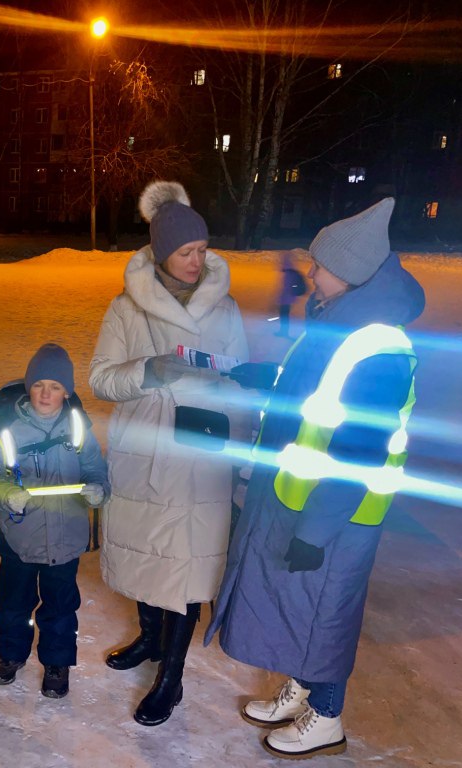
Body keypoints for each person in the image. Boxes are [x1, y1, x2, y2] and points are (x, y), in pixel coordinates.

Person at [205, 198, 425, 760]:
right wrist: (271, 379)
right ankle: (303, 688)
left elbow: (359, 450)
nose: (310, 272)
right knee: (301, 604)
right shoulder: (341, 321)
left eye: (319, 265)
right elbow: (318, 390)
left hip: (339, 512)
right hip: (303, 498)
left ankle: (327, 716)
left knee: (325, 610)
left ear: (348, 273)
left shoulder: (379, 348)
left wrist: (318, 530)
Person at [88, 180, 249, 726]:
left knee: (185, 567)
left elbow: (243, 385)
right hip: (146, 446)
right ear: (161, 253)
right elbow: (101, 380)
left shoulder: (225, 308)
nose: (196, 262)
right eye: (186, 252)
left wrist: (241, 441)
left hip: (202, 452)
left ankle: (171, 678)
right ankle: (150, 639)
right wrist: (148, 371)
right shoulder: (126, 309)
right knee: (146, 553)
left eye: (203, 250)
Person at [0, 344, 109, 699]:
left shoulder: (78, 427)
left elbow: (95, 468)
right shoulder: (8, 432)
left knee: (61, 604)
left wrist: (99, 489)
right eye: (38, 385)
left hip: (66, 539)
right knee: (13, 601)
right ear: (28, 387)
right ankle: (10, 652)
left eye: (54, 386)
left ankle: (57, 660)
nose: (46, 394)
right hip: (20, 535)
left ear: (67, 390)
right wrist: (4, 493)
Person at [277, 249, 307, 337]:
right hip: (288, 299)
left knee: (284, 317)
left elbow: (286, 289)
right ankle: (283, 331)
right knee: (284, 316)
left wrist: (280, 299)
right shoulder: (291, 272)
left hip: (286, 300)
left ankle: (284, 332)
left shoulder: (288, 274)